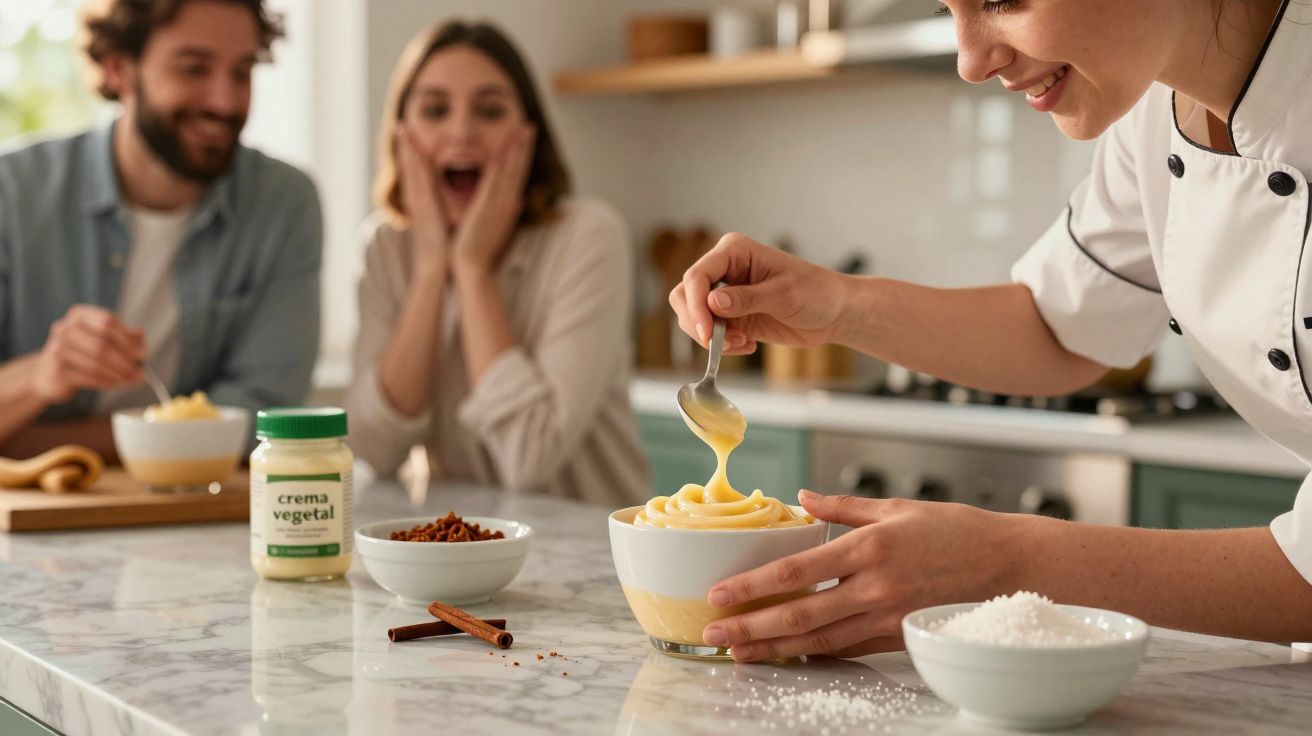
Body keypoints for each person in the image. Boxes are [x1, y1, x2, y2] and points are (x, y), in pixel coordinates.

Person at [670, 0, 1312, 661]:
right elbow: (1061, 328)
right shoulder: (1151, 114)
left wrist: (1011, 563)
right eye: (946, 7)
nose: (970, 63)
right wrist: (834, 303)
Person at [0, 0, 322, 461]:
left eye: (242, 72)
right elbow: (230, 426)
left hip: (200, 500)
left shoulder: (282, 204)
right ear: (118, 69)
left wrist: (26, 442)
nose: (225, 101)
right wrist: (39, 376)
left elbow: (264, 416)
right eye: (193, 69)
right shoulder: (12, 194)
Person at [346, 21, 649, 508]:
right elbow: (373, 450)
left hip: (595, 543)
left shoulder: (590, 235)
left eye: (489, 111)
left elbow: (530, 457)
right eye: (435, 110)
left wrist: (471, 269)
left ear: (528, 136)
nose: (461, 132)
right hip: (461, 540)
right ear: (403, 136)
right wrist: (430, 270)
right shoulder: (385, 247)